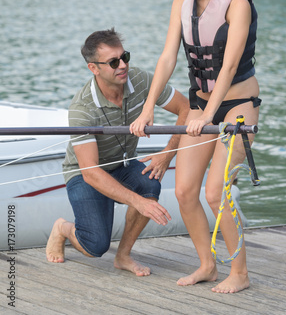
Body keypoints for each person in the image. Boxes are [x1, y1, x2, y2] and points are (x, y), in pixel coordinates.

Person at [130, 0, 261, 293]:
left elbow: (231, 65)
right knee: (186, 191)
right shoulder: (181, 3)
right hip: (202, 107)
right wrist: (146, 110)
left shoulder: (237, 3)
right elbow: (168, 58)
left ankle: (241, 273)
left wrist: (210, 114)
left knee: (216, 194)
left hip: (237, 109)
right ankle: (207, 265)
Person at [46, 28, 189, 276]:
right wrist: (138, 202)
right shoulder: (82, 108)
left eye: (125, 57)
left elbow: (185, 108)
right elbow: (90, 172)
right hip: (86, 173)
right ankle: (63, 228)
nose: (123, 65)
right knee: (95, 246)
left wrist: (167, 153)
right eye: (114, 62)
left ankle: (123, 256)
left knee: (150, 183)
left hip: (122, 165)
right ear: (94, 68)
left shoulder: (140, 80)